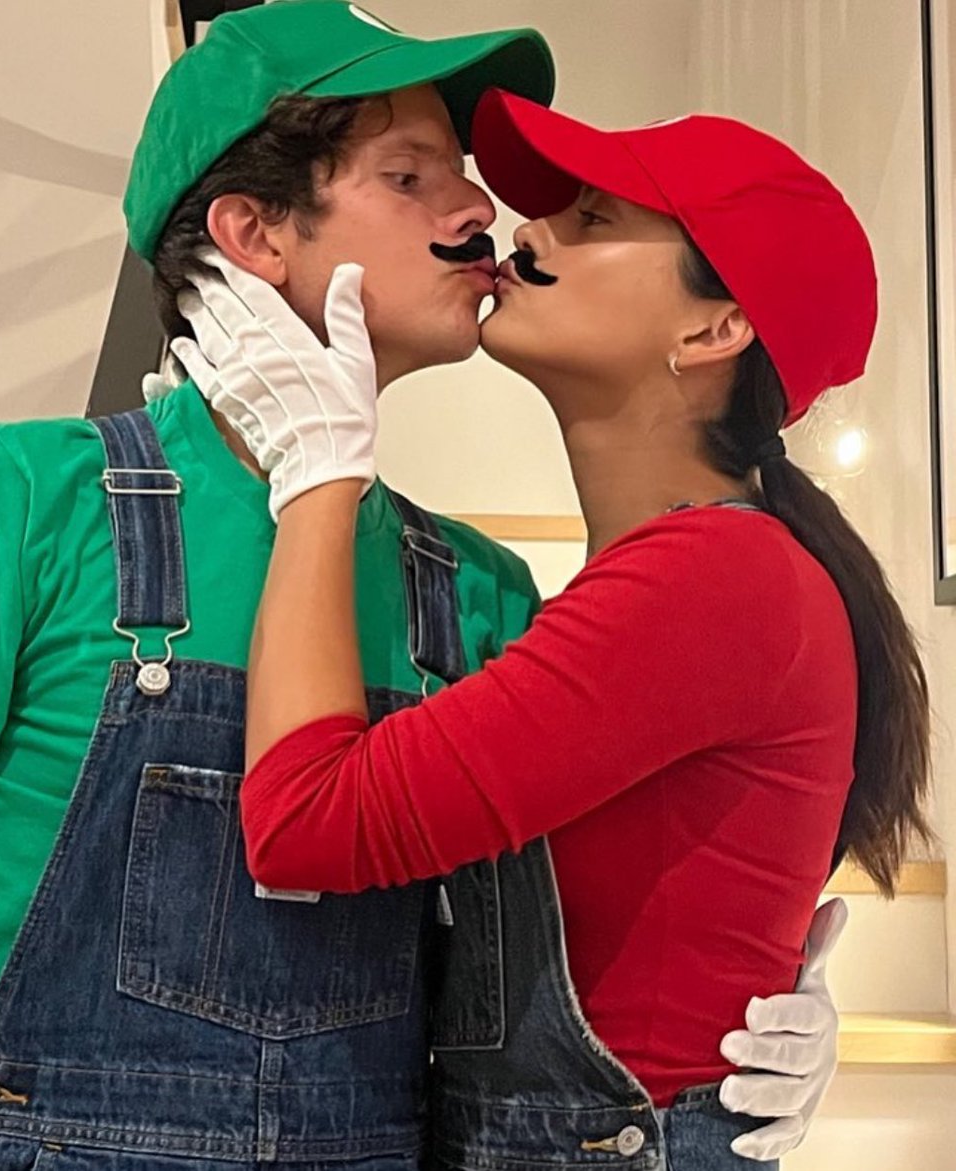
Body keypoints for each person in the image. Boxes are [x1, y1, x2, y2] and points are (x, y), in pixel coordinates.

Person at [0, 5, 839, 1169]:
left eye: (461, 175)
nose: (479, 212)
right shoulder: (20, 499)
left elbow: (572, 933)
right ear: (254, 234)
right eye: (410, 176)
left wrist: (747, 1018)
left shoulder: (482, 593)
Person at [175, 90, 933, 1168]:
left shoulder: (713, 580)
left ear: (713, 328)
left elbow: (307, 823)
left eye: (592, 220)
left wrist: (318, 471)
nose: (524, 231)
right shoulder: (668, 579)